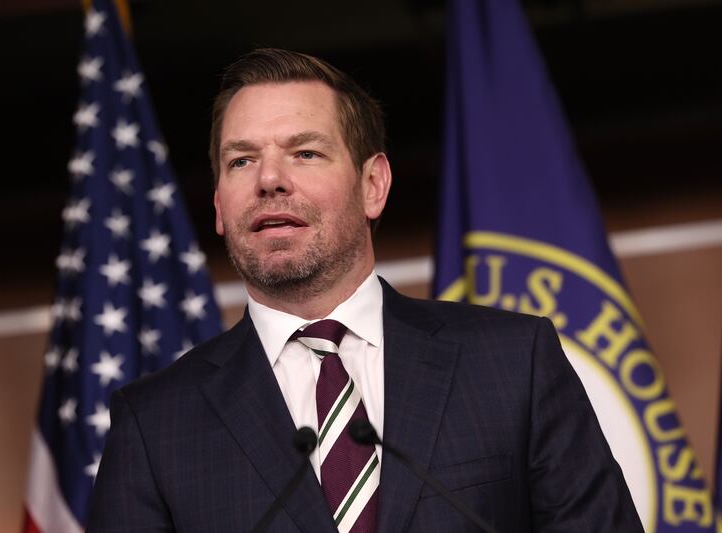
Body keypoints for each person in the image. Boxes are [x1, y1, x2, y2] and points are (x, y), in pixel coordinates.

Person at [87, 48, 643, 532]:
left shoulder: (512, 363)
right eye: (242, 160)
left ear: (373, 184)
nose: (269, 179)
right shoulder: (155, 426)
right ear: (218, 205)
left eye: (305, 153)